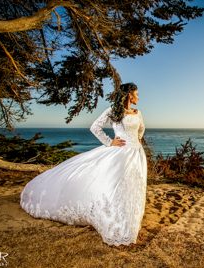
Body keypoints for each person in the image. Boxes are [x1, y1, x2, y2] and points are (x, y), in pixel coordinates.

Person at [20, 83, 147, 246]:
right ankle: (115, 219)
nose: (138, 97)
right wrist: (110, 142)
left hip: (136, 153)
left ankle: (129, 215)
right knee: (116, 185)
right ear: (129, 95)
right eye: (136, 94)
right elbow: (95, 127)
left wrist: (138, 138)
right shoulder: (112, 111)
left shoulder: (138, 113)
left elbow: (141, 128)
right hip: (120, 153)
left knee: (133, 185)